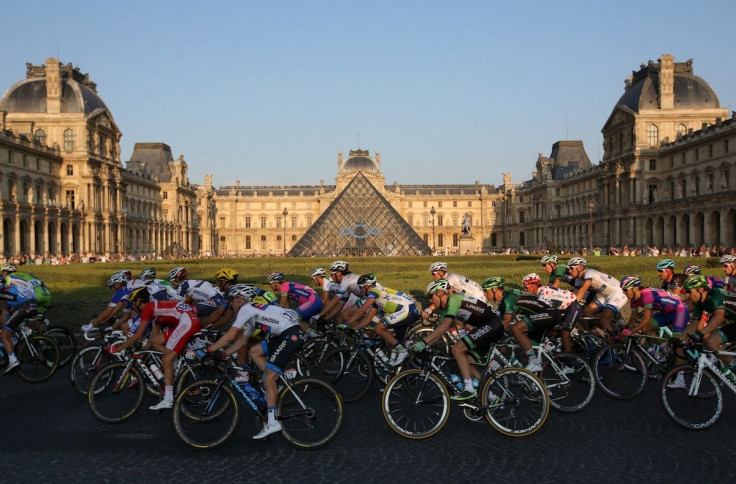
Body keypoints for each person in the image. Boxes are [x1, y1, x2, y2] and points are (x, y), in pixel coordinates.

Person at [203, 284, 304, 439]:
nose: (231, 303)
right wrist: (223, 353)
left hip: (289, 335)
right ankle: (276, 381)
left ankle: (272, 422)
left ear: (240, 299)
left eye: (232, 300)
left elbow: (230, 336)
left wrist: (209, 351)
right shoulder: (252, 314)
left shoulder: (246, 310)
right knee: (254, 351)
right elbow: (242, 342)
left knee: (270, 377)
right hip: (285, 332)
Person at [411, 279, 504, 401]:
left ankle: (469, 389)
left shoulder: (453, 300)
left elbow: (445, 326)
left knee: (457, 349)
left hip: (493, 325)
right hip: (491, 327)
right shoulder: (447, 308)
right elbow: (440, 332)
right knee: (465, 361)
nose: (430, 301)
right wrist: (423, 345)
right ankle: (492, 398)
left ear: (439, 293)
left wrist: (423, 342)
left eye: (430, 296)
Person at [126, 288, 202, 410]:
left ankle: (168, 399)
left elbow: (138, 334)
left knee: (166, 359)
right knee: (156, 342)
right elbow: (154, 338)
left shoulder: (147, 309)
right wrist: (143, 349)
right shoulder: (155, 310)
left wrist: (119, 348)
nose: (132, 305)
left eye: (133, 302)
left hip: (187, 322)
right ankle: (175, 361)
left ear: (139, 301)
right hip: (188, 319)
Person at [668, 275, 736, 389]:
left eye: (689, 291)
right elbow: (694, 323)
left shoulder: (715, 295)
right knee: (710, 342)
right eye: (686, 292)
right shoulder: (699, 302)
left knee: (708, 340)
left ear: (700, 290)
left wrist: (700, 334)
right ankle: (732, 365)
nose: (687, 295)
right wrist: (678, 340)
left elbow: (719, 318)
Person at [346, 273, 418, 366]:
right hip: (410, 310)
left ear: (366, 286)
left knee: (378, 328)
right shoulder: (377, 297)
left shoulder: (375, 291)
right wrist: (354, 328)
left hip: (407, 310)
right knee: (393, 338)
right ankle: (394, 365)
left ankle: (402, 352)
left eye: (360, 288)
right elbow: (368, 318)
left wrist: (347, 323)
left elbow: (363, 309)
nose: (360, 290)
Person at [510, 273, 579, 368]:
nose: (524, 290)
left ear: (534, 285)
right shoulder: (539, 292)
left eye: (526, 287)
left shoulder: (543, 294)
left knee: (565, 334)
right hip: (562, 308)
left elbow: (547, 315)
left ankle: (570, 366)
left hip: (572, 306)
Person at [620, 275, 690, 362]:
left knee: (677, 343)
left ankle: (680, 374)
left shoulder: (646, 294)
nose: (623, 293)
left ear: (634, 288)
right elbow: (632, 320)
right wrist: (623, 330)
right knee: (645, 329)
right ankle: (666, 349)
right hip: (665, 313)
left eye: (625, 289)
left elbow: (646, 319)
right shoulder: (633, 301)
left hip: (679, 310)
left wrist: (632, 331)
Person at [0, 272, 52, 373]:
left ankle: (13, 360)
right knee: (11, 325)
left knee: (4, 334)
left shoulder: (2, 292)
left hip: (24, 307)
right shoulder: (11, 289)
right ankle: (26, 332)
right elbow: (7, 308)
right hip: (32, 304)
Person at [566, 258, 627, 334]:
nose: (569, 271)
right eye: (569, 268)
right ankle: (611, 330)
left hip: (618, 292)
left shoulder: (589, 273)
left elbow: (583, 290)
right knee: (586, 312)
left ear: (580, 267)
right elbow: (574, 296)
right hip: (607, 296)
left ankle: (614, 338)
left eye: (571, 268)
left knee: (604, 319)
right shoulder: (578, 280)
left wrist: (572, 306)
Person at [266, 272, 322, 338]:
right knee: (299, 320)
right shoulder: (286, 286)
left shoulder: (284, 287)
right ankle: (317, 333)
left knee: (294, 317)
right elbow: (286, 307)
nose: (270, 286)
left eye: (270, 284)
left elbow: (281, 305)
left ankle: (315, 337)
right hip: (315, 300)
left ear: (275, 283)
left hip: (312, 301)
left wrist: (271, 312)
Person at [422, 262, 486, 318]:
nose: (433, 276)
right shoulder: (449, 276)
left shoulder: (449, 280)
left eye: (433, 274)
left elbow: (444, 297)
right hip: (473, 295)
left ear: (440, 272)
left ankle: (462, 331)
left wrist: (430, 309)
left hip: (477, 297)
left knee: (456, 316)